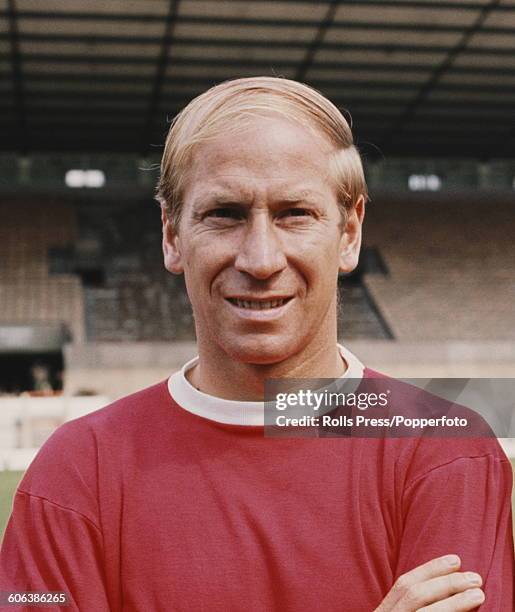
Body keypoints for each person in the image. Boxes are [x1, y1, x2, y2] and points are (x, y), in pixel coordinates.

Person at [1, 77, 513, 611]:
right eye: (225, 214)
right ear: (172, 235)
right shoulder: (76, 473)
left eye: (295, 213)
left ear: (350, 233)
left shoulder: (444, 453)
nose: (261, 259)